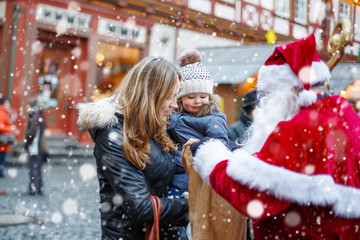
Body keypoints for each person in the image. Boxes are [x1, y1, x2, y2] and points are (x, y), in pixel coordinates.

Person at [189, 34, 360, 239]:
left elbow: (254, 196)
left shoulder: (300, 126)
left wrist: (211, 157)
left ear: (291, 89)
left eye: (271, 95)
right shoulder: (345, 115)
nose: (266, 105)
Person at [77, 56, 189, 240]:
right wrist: (192, 205)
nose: (174, 104)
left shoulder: (157, 126)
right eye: (169, 97)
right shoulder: (113, 135)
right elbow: (140, 207)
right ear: (150, 95)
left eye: (175, 96)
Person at [168, 50, 246, 240]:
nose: (197, 101)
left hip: (193, 173)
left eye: (203, 96)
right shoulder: (176, 116)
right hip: (176, 170)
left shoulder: (213, 119)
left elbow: (219, 145)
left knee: (180, 216)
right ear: (180, 99)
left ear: (210, 97)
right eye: (191, 97)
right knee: (173, 222)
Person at [24, 97, 48, 195]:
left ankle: (33, 188)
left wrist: (27, 143)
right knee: (37, 168)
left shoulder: (34, 116)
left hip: (35, 147)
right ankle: (38, 187)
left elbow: (32, 133)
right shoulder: (39, 115)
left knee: (33, 168)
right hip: (39, 147)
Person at [0, 96, 13, 178]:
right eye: (7, 103)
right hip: (2, 143)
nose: (9, 105)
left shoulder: (5, 113)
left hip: (4, 143)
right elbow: (1, 127)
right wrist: (10, 129)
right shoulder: (1, 113)